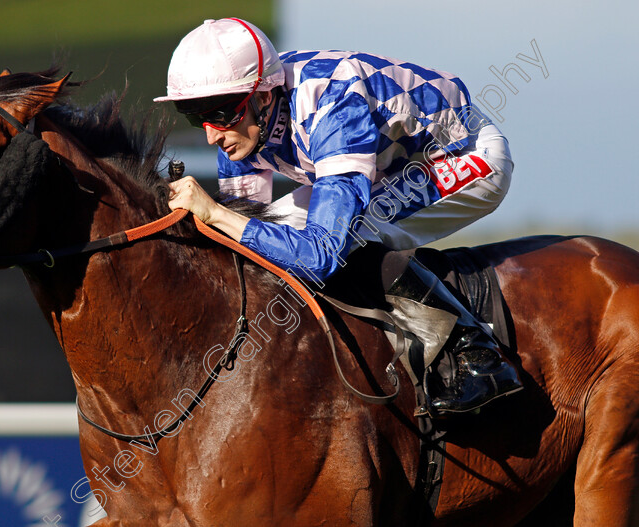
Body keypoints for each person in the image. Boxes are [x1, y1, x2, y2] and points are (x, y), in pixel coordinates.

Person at [155, 18, 522, 415]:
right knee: (268, 229)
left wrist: (214, 212)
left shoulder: (332, 104)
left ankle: (478, 354)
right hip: (381, 161)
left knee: (352, 235)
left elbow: (320, 254)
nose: (211, 135)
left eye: (222, 115)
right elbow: (242, 237)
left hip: (458, 154)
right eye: (197, 117)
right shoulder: (246, 120)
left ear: (262, 97)